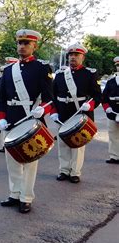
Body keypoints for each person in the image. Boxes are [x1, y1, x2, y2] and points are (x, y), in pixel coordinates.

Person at [0, 29, 54, 214]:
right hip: (11, 119)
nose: (22, 46)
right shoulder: (8, 70)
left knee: (30, 161)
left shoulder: (42, 68)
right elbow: (1, 97)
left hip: (31, 118)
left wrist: (43, 109)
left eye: (26, 43)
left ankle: (26, 197)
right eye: (20, 43)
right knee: (11, 160)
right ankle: (14, 194)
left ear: (34, 46)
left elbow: (50, 97)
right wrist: (1, 118)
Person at [50, 44, 101, 183]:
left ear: (82, 57)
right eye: (71, 55)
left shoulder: (89, 74)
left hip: (80, 113)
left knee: (78, 145)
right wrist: (53, 112)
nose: (73, 57)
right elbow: (52, 96)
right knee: (62, 143)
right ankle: (64, 170)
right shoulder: (60, 74)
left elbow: (97, 96)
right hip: (62, 113)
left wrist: (89, 105)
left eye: (76, 55)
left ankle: (75, 172)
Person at [101, 56, 119, 164]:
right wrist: (107, 108)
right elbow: (104, 97)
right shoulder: (111, 82)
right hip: (112, 112)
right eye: (118, 65)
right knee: (113, 135)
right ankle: (114, 156)